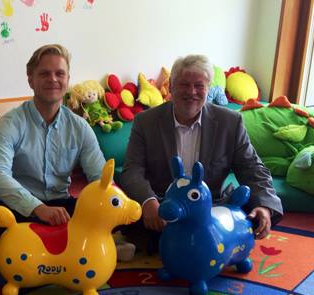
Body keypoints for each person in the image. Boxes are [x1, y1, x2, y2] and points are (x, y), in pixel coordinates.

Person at [0, 43, 135, 260]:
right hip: (21, 207)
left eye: (59, 73)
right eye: (44, 73)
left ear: (67, 79)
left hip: (61, 206)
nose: (53, 79)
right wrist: (38, 208)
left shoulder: (79, 126)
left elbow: (100, 177)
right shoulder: (11, 123)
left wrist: (112, 206)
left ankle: (71, 246)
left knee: (115, 213)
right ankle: (89, 247)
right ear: (30, 79)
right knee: (21, 237)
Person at [120, 54, 283, 252]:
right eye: (184, 84)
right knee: (127, 215)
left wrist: (264, 206)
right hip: (163, 208)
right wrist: (148, 201)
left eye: (199, 86)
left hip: (211, 209)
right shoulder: (146, 121)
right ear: (171, 86)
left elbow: (252, 167)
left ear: (208, 88)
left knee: (250, 213)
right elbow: (132, 170)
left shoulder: (230, 122)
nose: (192, 92)